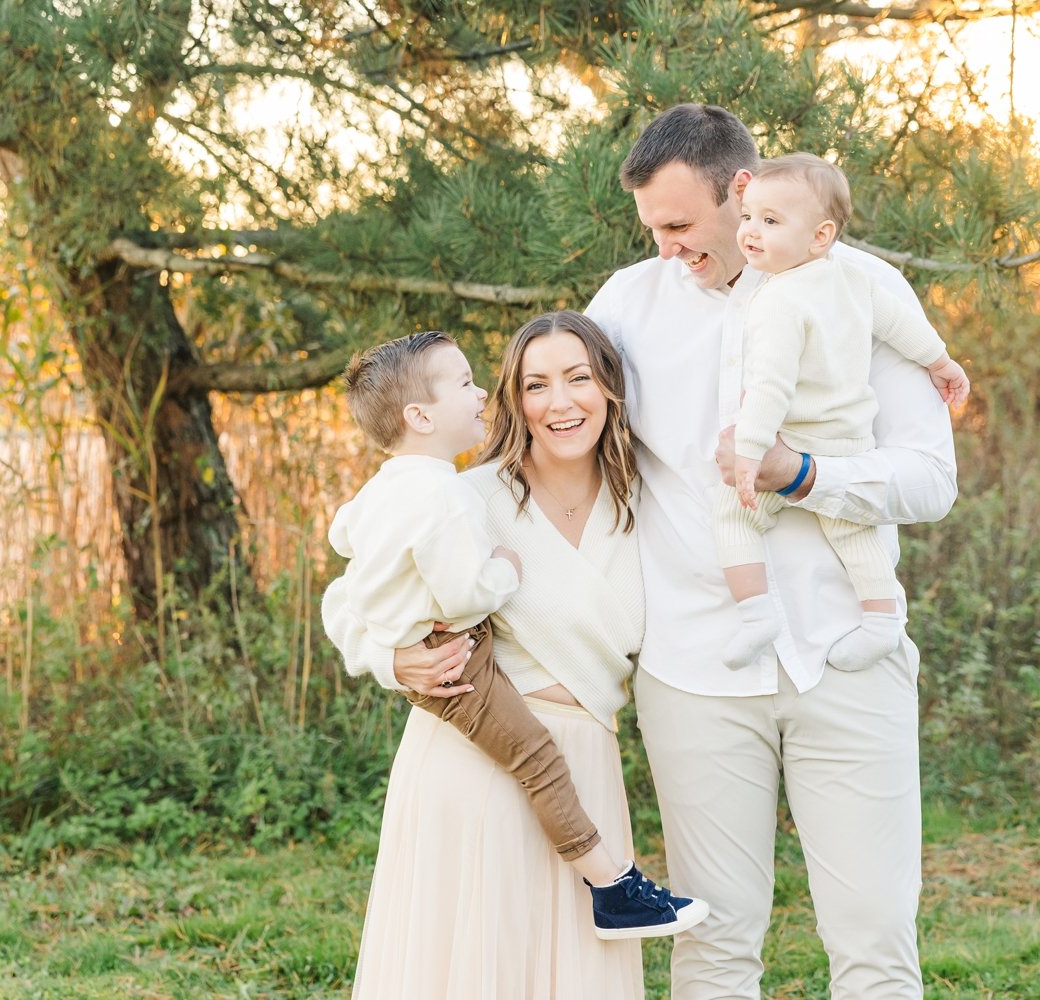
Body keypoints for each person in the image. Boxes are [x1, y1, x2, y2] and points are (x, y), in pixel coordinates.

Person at [585, 104, 958, 998]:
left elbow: (929, 480)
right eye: (652, 230)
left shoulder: (858, 290)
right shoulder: (625, 307)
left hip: (847, 657)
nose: (667, 248)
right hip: (695, 669)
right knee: (712, 942)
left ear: (742, 191)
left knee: (874, 940)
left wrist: (804, 475)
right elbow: (549, 457)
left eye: (680, 226)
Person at [322, 312, 703, 998]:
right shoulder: (463, 495)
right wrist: (393, 661)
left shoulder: (650, 505)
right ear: (514, 400)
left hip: (581, 766)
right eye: (536, 385)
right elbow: (350, 602)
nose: (560, 402)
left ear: (609, 390)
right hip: (472, 760)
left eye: (579, 378)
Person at [718, 152, 970, 673]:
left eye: (770, 221)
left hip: (795, 441)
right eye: (747, 217)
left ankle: (756, 614)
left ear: (820, 236)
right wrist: (942, 361)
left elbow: (769, 388)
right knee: (857, 536)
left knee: (733, 516)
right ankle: (882, 623)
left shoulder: (776, 300)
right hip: (850, 442)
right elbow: (900, 325)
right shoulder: (852, 278)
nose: (750, 232)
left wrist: (749, 453)